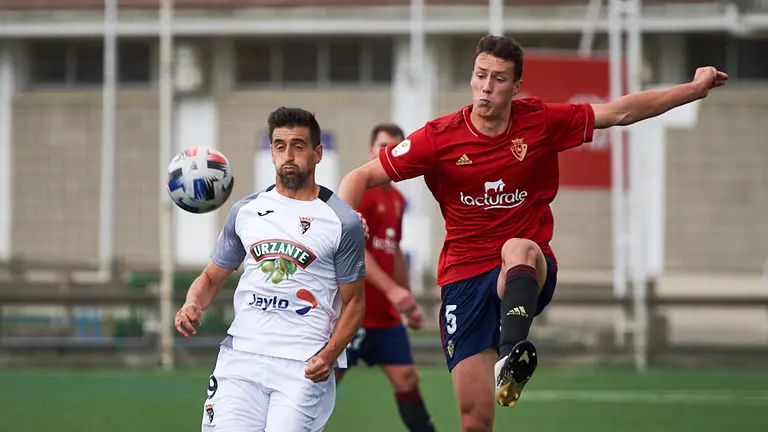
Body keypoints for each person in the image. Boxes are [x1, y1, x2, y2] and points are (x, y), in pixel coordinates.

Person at [337, 35, 728, 432]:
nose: (487, 87)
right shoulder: (439, 137)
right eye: (480, 75)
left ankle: (511, 357)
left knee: (518, 247)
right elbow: (359, 176)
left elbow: (620, 112)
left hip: (525, 267)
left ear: (516, 86)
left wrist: (693, 90)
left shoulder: (539, 121)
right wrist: (349, 217)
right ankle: (506, 359)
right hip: (463, 279)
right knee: (474, 420)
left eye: (499, 79)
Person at [175, 107, 367, 431]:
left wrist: (330, 354)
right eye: (279, 146)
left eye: (298, 145)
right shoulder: (245, 211)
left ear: (317, 153)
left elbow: (355, 304)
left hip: (302, 366)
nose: (288, 155)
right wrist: (192, 303)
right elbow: (210, 277)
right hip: (241, 359)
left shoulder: (342, 221)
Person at [334, 123, 436, 432]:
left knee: (407, 379)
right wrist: (393, 290)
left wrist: (407, 300)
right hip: (350, 314)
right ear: (370, 151)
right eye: (381, 146)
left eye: (393, 147)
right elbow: (355, 250)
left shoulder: (399, 201)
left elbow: (393, 251)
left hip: (386, 319)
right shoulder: (360, 194)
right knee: (321, 387)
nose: (386, 153)